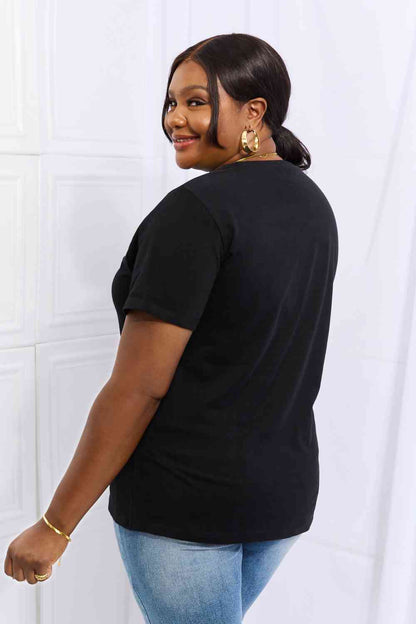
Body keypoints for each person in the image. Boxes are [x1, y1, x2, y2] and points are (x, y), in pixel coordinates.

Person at [3, 33, 338, 623]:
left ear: (254, 111)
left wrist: (55, 526)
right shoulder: (312, 204)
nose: (174, 119)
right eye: (171, 102)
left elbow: (139, 388)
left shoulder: (195, 213)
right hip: (281, 497)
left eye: (196, 102)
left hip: (188, 509)